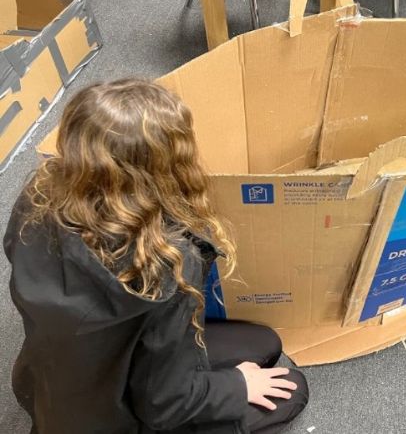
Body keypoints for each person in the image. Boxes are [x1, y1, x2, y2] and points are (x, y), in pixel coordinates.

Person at [4, 80, 308, 433]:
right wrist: (238, 385)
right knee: (292, 389)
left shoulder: (37, 197)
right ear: (166, 165)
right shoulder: (165, 263)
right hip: (117, 420)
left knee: (264, 343)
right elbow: (163, 404)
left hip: (54, 390)